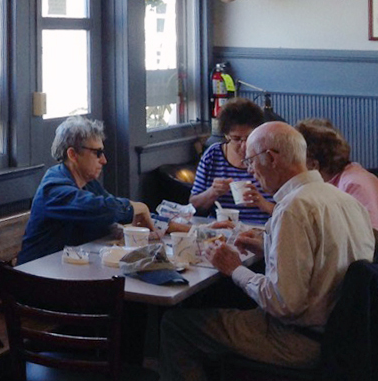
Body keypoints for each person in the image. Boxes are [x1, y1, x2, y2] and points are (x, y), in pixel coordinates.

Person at [159, 122, 375, 380]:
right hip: (347, 336)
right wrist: (268, 245)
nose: (250, 171)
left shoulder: (293, 208)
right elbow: (324, 254)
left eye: (250, 161)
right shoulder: (344, 200)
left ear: (270, 159)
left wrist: (234, 268)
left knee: (177, 326)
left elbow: (283, 304)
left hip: (300, 342)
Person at [17, 115, 156, 264]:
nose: (104, 160)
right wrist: (137, 207)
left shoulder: (87, 182)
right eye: (97, 153)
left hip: (65, 271)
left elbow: (109, 213)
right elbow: (101, 209)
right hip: (34, 278)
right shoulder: (54, 188)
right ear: (73, 155)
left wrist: (125, 228)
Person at [189, 97, 274, 224]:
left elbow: (292, 212)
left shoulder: (270, 156)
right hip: (222, 231)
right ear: (226, 135)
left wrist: (263, 203)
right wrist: (212, 192)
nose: (244, 145)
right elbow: (193, 206)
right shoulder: (213, 155)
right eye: (236, 138)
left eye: (249, 137)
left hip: (263, 231)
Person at [296, 118, 378, 230]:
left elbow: (372, 236)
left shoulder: (354, 185)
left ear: (314, 164)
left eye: (297, 159)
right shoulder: (331, 180)